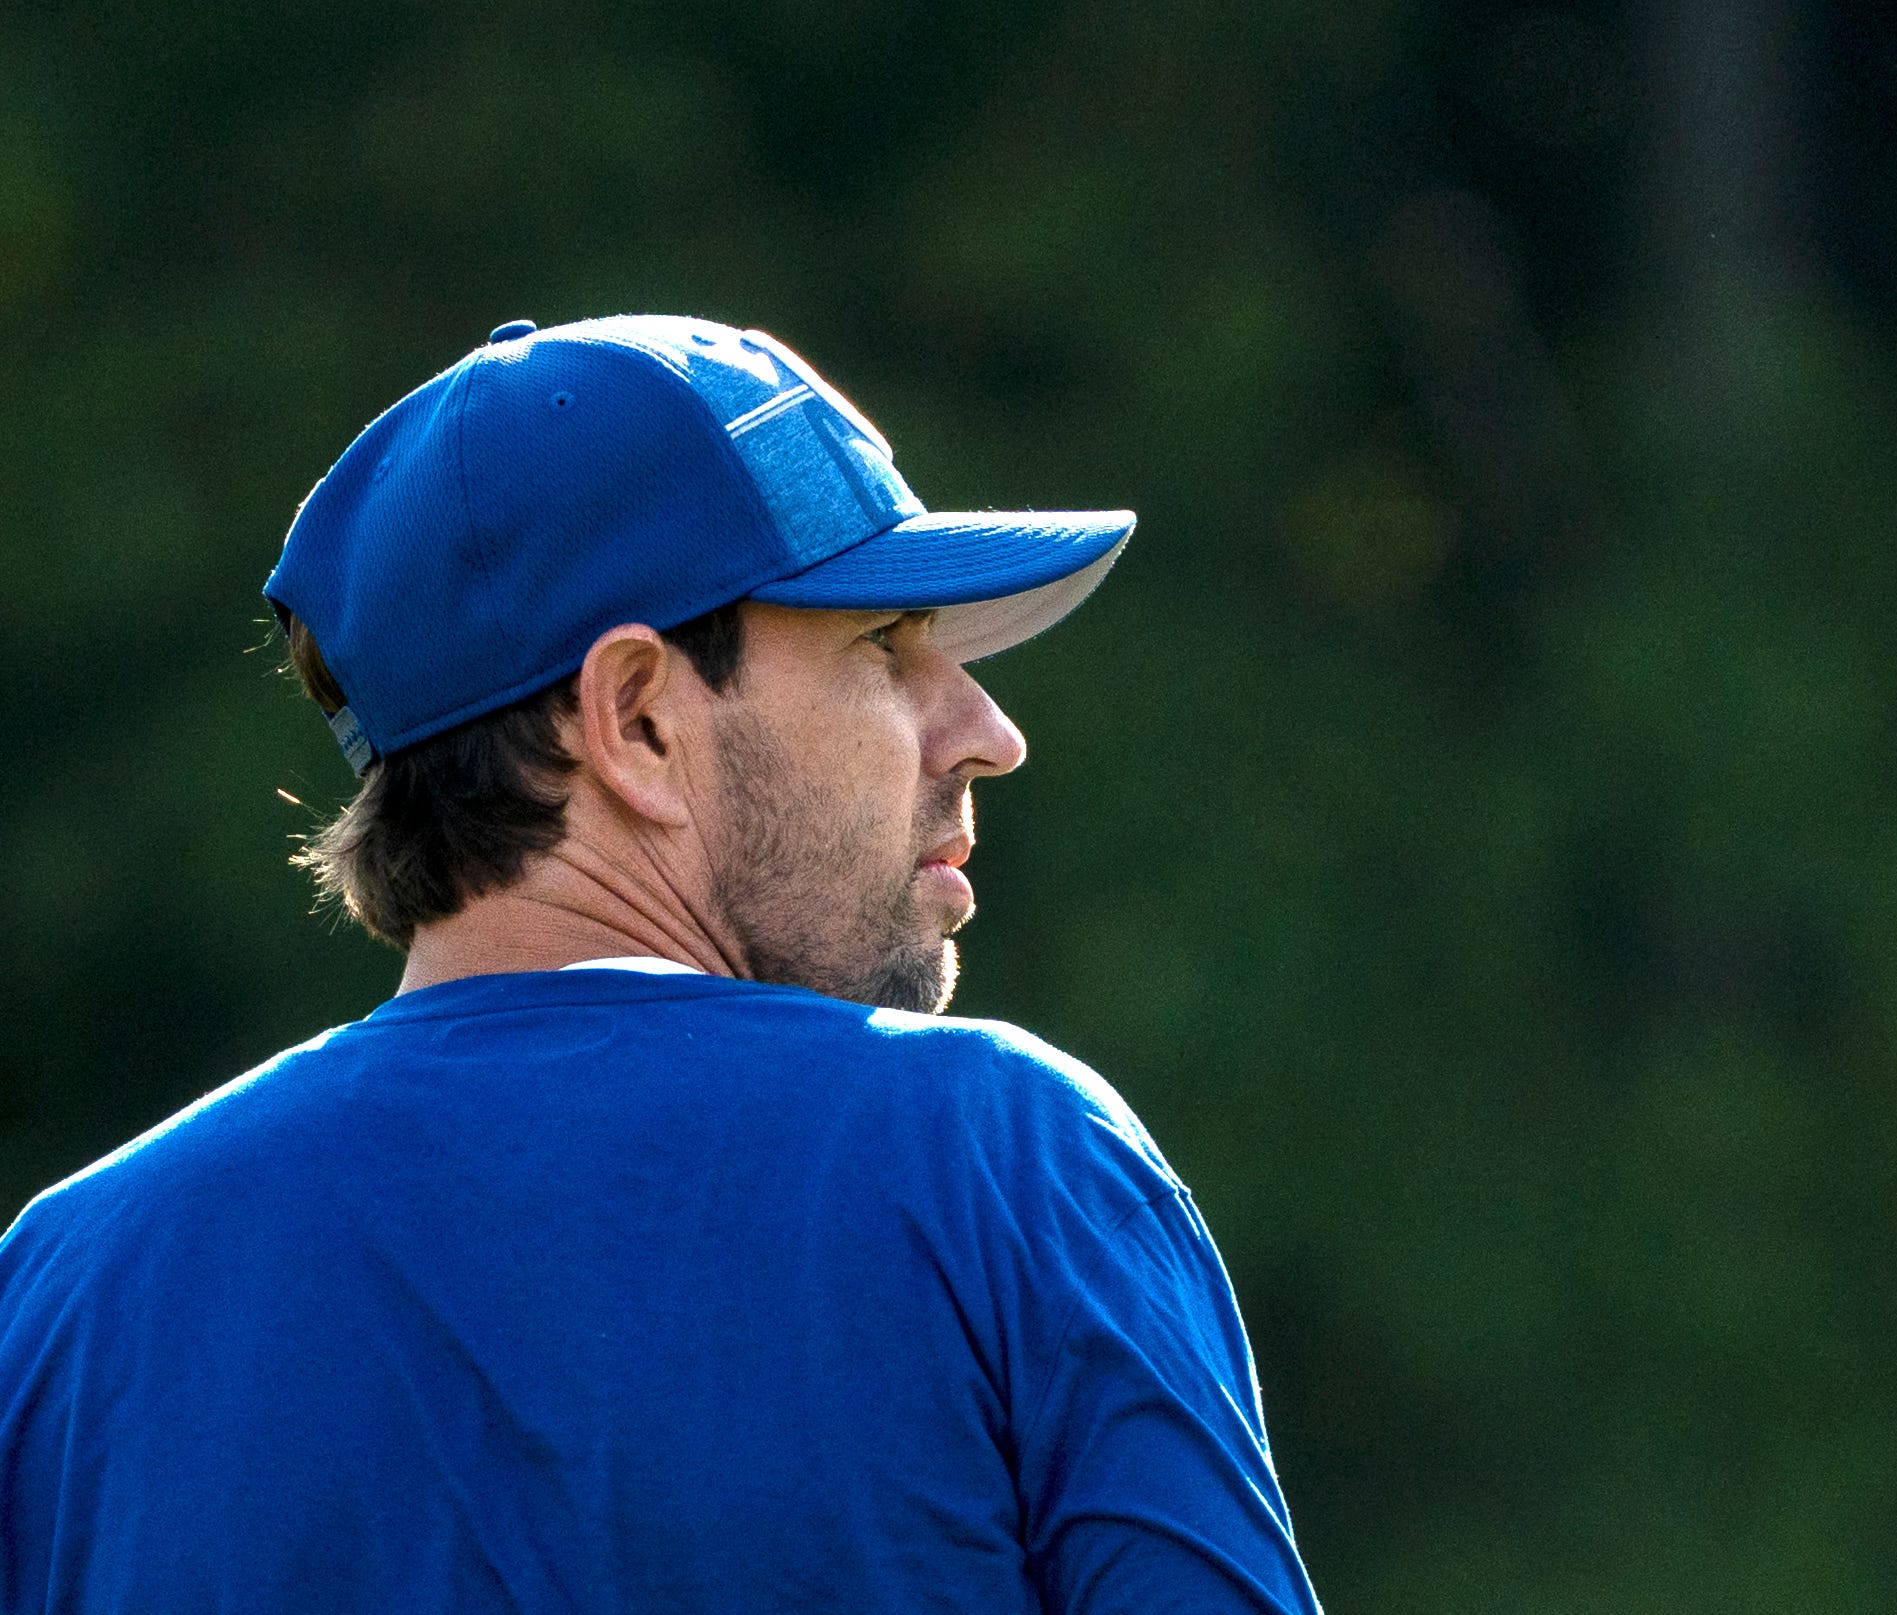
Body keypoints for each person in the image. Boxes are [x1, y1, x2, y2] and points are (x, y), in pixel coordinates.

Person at [0, 316, 1321, 1613]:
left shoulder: (60, 1296)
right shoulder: (997, 1161)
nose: (986, 730)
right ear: (634, 720)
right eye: (884, 643)